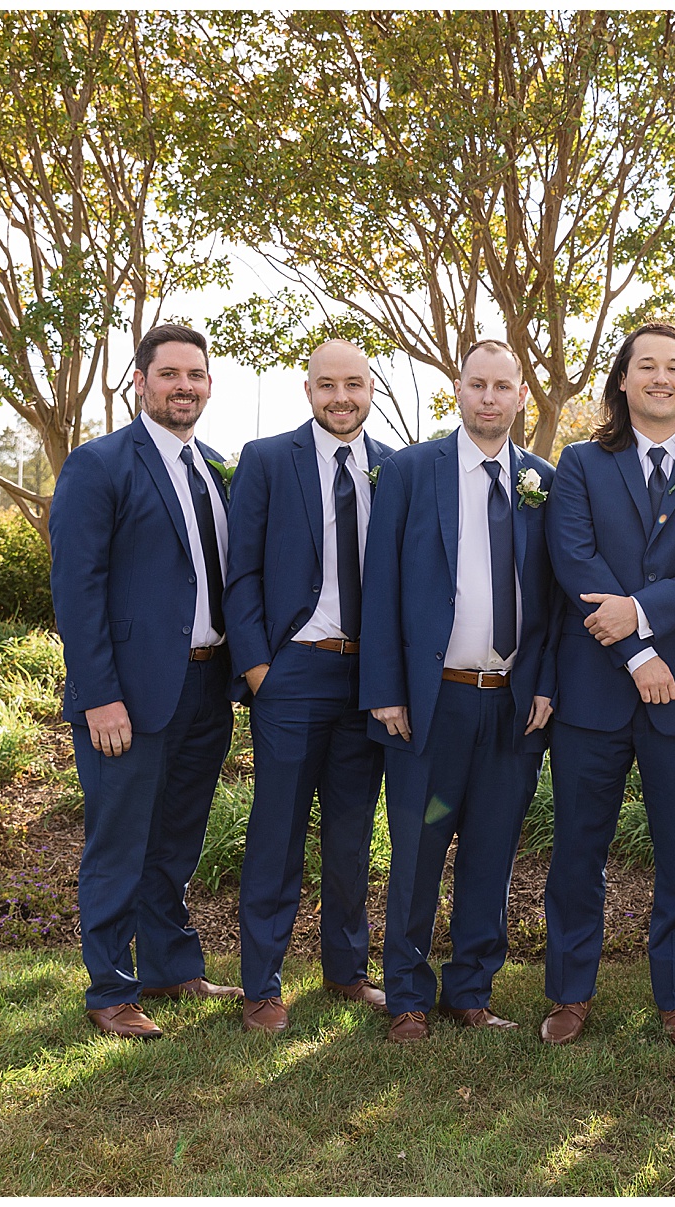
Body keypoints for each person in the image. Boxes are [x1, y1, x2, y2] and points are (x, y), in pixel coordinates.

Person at [539, 321, 675, 1049]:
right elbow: (574, 560)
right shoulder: (578, 462)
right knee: (578, 846)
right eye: (647, 366)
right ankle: (570, 991)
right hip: (595, 684)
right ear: (623, 380)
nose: (661, 377)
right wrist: (636, 650)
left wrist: (639, 611)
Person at [359, 339, 561, 1043]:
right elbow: (377, 585)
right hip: (432, 702)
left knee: (492, 849)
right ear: (458, 388)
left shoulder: (543, 481)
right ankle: (408, 996)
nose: (488, 397)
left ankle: (470, 989)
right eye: (477, 384)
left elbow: (554, 601)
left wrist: (545, 685)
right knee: (418, 848)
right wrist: (387, 690)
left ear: (520, 396)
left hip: (510, 703)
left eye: (502, 386)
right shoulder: (412, 472)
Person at [49, 323, 244, 1039]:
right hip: (126, 697)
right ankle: (110, 989)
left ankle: (170, 966)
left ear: (208, 384)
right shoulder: (99, 465)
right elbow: (77, 589)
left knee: (177, 842)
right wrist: (100, 695)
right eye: (169, 374)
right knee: (120, 843)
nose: (183, 386)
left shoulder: (220, 469)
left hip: (204, 688)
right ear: (141, 381)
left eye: (195, 374)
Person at [221, 339, 396, 1034]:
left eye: (354, 382)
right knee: (278, 830)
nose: (342, 396)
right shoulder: (266, 459)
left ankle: (346, 971)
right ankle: (261, 984)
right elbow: (242, 575)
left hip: (369, 677)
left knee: (353, 835)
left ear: (372, 387)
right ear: (308, 390)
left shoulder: (396, 467)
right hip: (292, 671)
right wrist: (262, 670)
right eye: (328, 384)